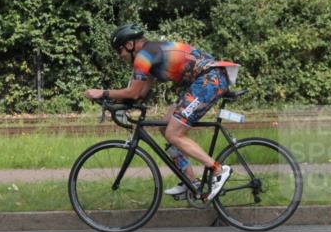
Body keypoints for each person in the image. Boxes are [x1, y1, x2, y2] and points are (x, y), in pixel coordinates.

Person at [84, 23, 233, 201]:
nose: (120, 56)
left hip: (210, 79)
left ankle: (217, 169)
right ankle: (190, 183)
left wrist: (103, 93)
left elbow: (132, 92)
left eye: (120, 50)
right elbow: (139, 93)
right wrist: (114, 103)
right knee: (165, 127)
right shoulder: (149, 54)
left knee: (174, 133)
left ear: (130, 45)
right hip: (201, 81)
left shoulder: (144, 56)